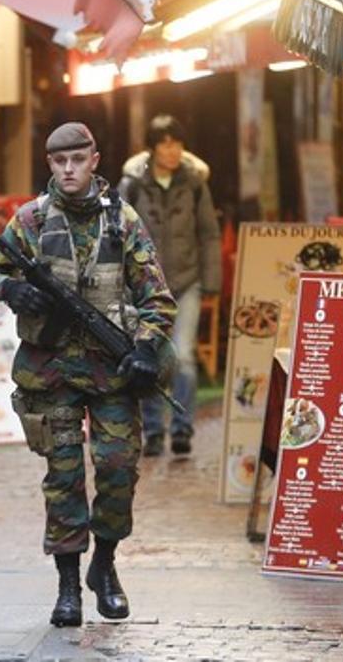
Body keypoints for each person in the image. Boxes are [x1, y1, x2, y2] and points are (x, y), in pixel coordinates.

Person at [0, 122, 176, 627]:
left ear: (94, 160)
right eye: (59, 161)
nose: (68, 169)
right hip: (52, 373)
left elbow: (156, 297)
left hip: (110, 373)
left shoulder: (122, 222)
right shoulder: (31, 221)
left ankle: (103, 566)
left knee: (117, 469)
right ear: (49, 164)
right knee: (62, 479)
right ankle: (68, 586)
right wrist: (9, 290)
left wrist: (147, 348)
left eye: (77, 160)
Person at [118, 114, 220, 457]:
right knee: (149, 357)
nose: (173, 150)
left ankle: (181, 428)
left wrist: (212, 280)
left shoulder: (194, 183)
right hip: (144, 286)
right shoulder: (132, 184)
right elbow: (117, 235)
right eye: (165, 144)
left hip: (187, 281)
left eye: (177, 143)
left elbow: (208, 234)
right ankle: (153, 431)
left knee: (184, 358)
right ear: (152, 148)